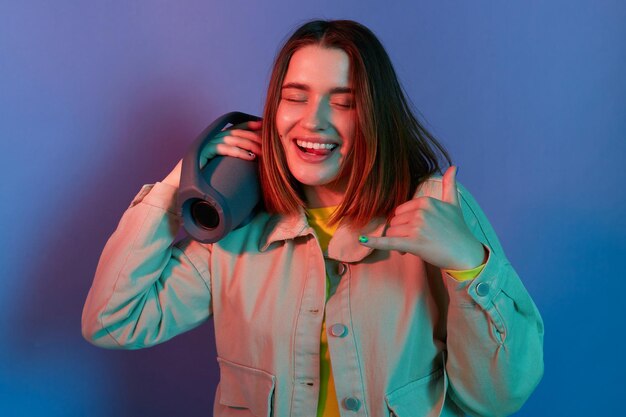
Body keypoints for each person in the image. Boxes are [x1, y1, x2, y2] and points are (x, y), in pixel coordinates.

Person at [82, 19, 544, 417]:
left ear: (374, 115)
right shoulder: (235, 227)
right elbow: (113, 320)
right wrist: (178, 185)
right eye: (295, 97)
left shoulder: (436, 208)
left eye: (343, 102)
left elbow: (498, 396)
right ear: (272, 110)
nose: (314, 121)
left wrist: (468, 262)